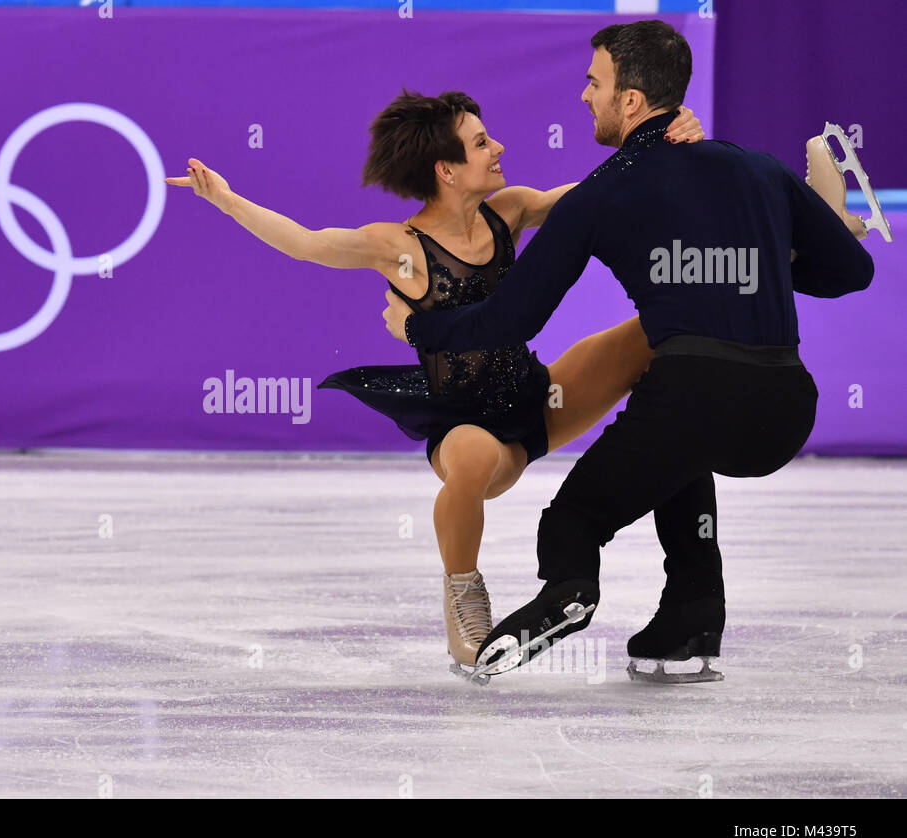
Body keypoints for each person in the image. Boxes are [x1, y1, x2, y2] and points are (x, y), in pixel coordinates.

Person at [382, 20, 876, 682]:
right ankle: (692, 614)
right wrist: (773, 254)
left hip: (693, 397)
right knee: (678, 449)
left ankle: (569, 592)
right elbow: (851, 272)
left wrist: (421, 331)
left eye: (595, 82)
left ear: (633, 101)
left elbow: (510, 318)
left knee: (574, 520)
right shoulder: (758, 168)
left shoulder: (603, 193)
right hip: (787, 406)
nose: (585, 96)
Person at [166, 92, 704, 676]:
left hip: (539, 399)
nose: (497, 147)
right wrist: (223, 199)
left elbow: (593, 194)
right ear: (446, 170)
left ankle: (692, 595)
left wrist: (668, 141)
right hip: (470, 430)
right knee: (470, 454)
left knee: (660, 333)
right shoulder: (399, 247)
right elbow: (306, 243)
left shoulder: (511, 210)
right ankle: (463, 593)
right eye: (480, 143)